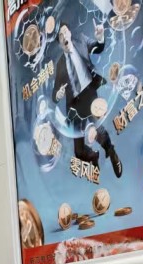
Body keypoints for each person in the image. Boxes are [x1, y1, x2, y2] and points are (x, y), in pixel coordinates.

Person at [53, 21, 122, 179]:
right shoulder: (60, 64)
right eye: (61, 35)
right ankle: (94, 156)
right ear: (59, 42)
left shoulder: (82, 41)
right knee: (78, 152)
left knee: (97, 130)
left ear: (70, 33)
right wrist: (57, 94)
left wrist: (100, 37)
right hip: (74, 105)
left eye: (65, 32)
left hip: (89, 93)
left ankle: (111, 152)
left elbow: (99, 47)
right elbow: (54, 94)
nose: (64, 36)